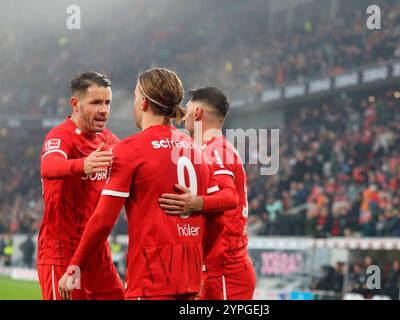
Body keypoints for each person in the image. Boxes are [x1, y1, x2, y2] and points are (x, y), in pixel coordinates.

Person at [58, 68, 218, 300]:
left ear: (143, 102)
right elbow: (219, 211)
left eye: (134, 97)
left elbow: (103, 221)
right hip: (191, 281)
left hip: (151, 279)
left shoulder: (131, 149)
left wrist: (75, 267)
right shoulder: (196, 149)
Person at [159, 87, 256, 300]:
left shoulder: (216, 150)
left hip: (225, 269)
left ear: (198, 113)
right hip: (216, 266)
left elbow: (230, 197)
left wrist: (196, 203)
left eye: (188, 108)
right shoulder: (210, 148)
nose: (184, 113)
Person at [37, 71, 124, 300]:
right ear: (75, 104)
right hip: (62, 253)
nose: (104, 110)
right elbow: (49, 166)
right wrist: (82, 165)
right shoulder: (60, 135)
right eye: (96, 102)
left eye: (107, 102)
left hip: (97, 253)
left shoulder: (110, 141)